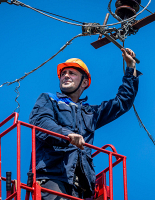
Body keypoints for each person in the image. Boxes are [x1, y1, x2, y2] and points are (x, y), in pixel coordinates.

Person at [29, 48, 140, 200]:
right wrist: (67, 134)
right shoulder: (49, 99)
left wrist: (131, 67)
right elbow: (42, 123)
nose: (65, 76)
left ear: (84, 82)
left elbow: (122, 102)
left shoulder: (89, 113)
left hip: (83, 186)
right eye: (63, 73)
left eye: (72, 73)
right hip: (53, 177)